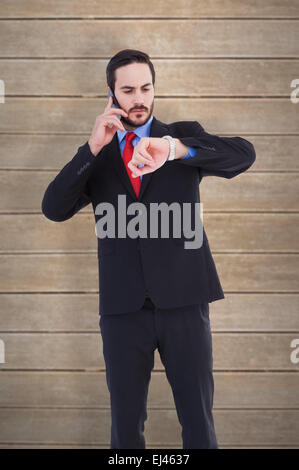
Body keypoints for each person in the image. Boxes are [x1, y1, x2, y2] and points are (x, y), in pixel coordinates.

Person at [41, 49, 256, 449]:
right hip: (123, 309)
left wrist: (175, 149)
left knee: (197, 420)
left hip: (185, 302)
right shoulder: (99, 155)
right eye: (128, 90)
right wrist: (90, 148)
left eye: (146, 88)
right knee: (125, 428)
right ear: (111, 95)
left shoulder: (180, 136)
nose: (138, 98)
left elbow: (244, 154)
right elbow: (53, 208)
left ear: (154, 89)